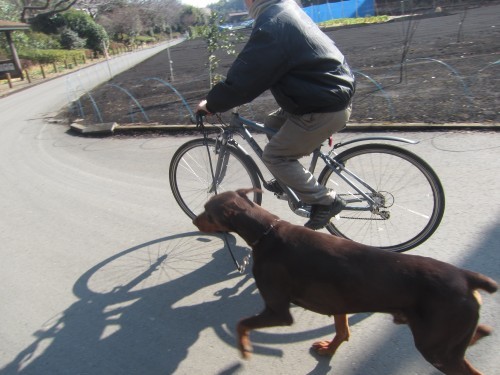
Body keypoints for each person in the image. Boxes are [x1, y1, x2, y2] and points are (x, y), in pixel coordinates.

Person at [197, 0, 355, 230]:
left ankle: (326, 201)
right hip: (324, 94)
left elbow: (247, 78)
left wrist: (212, 103)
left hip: (320, 106)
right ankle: (288, 179)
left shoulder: (272, 23)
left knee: (274, 157)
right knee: (272, 122)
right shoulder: (286, 10)